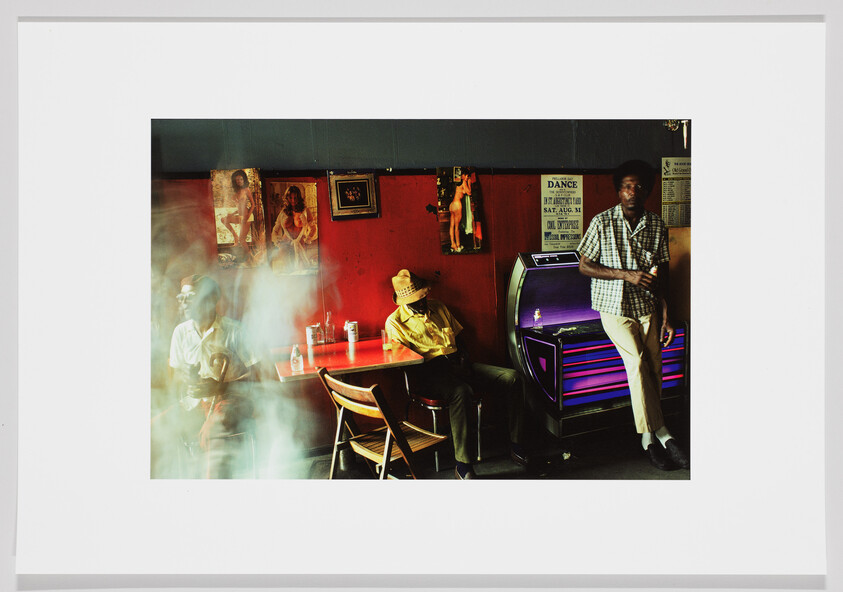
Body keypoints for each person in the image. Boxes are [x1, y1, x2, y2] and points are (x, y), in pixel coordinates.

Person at [576, 160, 690, 471]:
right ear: (618, 190)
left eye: (638, 186)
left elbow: (662, 273)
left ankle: (647, 436)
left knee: (654, 367)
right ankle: (659, 435)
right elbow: (584, 265)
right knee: (638, 363)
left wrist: (667, 314)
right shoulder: (602, 222)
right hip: (613, 307)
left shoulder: (656, 224)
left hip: (648, 307)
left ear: (648, 191)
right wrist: (627, 275)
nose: (632, 191)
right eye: (627, 185)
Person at [385, 269, 529, 479]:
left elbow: (459, 339)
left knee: (513, 378)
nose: (423, 302)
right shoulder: (395, 322)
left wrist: (464, 357)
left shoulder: (439, 307)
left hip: (460, 364)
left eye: (424, 296)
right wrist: (444, 369)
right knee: (460, 391)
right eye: (417, 300)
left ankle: (517, 444)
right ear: (404, 302)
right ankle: (463, 464)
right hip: (430, 373)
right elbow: (405, 362)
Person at [156, 274, 259, 478]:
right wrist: (184, 379)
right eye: (181, 298)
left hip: (231, 402)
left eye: (190, 297)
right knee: (152, 429)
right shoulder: (180, 333)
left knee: (213, 433)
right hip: (193, 404)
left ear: (211, 300)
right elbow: (175, 380)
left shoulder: (235, 331)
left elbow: (259, 375)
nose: (184, 303)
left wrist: (222, 388)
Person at [270, 185, 317, 271]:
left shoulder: (305, 210)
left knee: (301, 270)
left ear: (299, 198)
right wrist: (278, 242)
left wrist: (308, 238)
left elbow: (313, 227)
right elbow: (275, 229)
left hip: (300, 244)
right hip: (285, 244)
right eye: (290, 198)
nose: (293, 200)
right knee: (287, 271)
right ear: (287, 198)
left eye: (295, 198)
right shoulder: (283, 212)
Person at [220, 169, 254, 249]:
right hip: (240, 216)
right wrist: (231, 214)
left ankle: (250, 258)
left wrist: (247, 216)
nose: (239, 181)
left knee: (242, 240)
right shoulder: (236, 193)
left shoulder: (247, 190)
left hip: (247, 217)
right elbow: (239, 208)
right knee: (223, 219)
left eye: (241, 179)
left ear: (244, 180)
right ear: (235, 181)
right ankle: (235, 236)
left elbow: (253, 204)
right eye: (237, 179)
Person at [448, 168, 474, 253]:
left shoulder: (457, 183)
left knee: (451, 226)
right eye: (467, 176)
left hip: (452, 205)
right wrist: (469, 182)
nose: (467, 177)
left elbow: (462, 191)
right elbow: (469, 192)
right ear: (463, 175)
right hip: (457, 205)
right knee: (457, 228)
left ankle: (453, 244)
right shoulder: (463, 182)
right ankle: (458, 246)